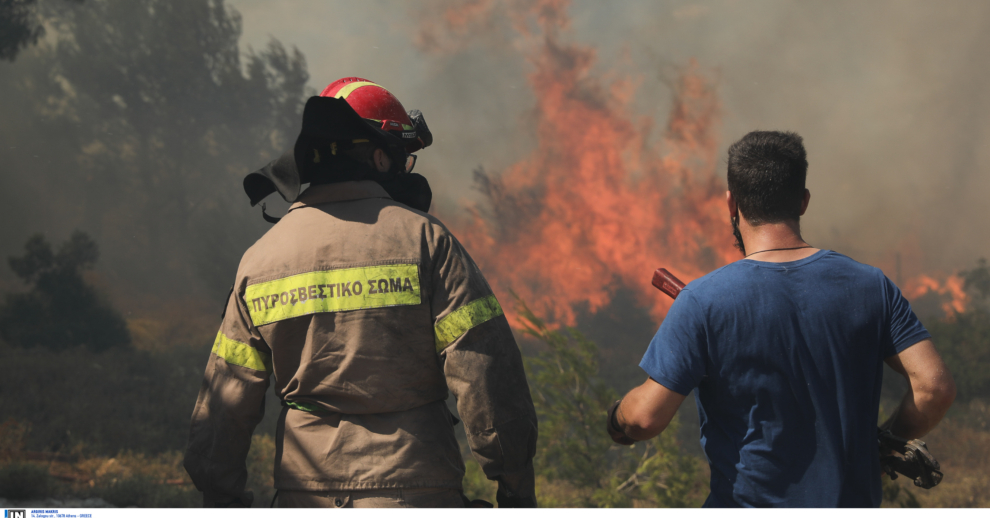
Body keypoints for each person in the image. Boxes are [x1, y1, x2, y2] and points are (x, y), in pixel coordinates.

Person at [184, 78, 538, 508]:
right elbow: (487, 375)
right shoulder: (426, 242)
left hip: (303, 498)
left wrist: (221, 499)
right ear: (377, 157)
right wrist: (515, 486)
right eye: (401, 158)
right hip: (416, 491)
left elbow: (224, 403)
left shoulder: (261, 260)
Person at [607, 130, 956, 507]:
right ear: (803, 201)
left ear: (731, 203)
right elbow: (934, 388)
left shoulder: (705, 300)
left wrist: (617, 419)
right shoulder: (872, 287)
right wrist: (884, 443)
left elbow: (644, 418)